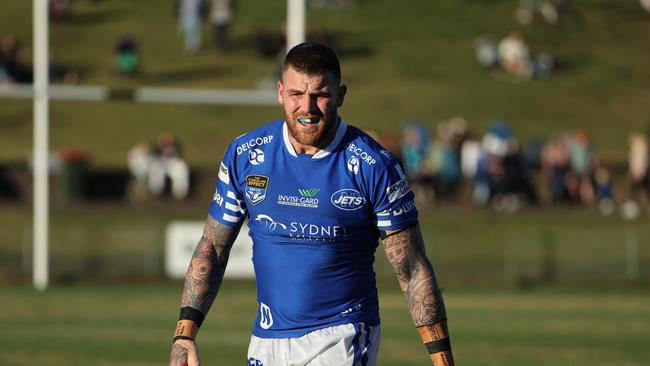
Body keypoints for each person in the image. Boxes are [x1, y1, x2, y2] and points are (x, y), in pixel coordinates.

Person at [168, 42, 454, 366]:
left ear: (341, 95)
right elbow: (213, 248)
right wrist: (184, 335)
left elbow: (412, 268)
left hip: (340, 336)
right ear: (279, 92)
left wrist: (441, 359)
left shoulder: (374, 166)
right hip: (266, 341)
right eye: (296, 94)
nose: (308, 108)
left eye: (320, 95)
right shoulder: (246, 155)